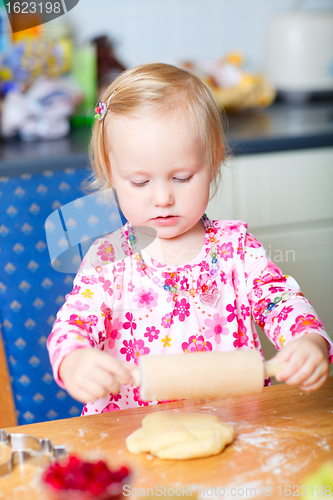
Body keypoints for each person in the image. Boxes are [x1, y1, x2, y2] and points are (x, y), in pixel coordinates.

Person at [47, 63, 332, 415]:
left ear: (212, 163)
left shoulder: (235, 248)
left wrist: (309, 341)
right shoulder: (109, 258)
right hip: (130, 434)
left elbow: (281, 301)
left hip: (239, 427)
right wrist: (74, 360)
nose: (163, 197)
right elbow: (74, 321)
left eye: (181, 177)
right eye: (140, 182)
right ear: (112, 175)